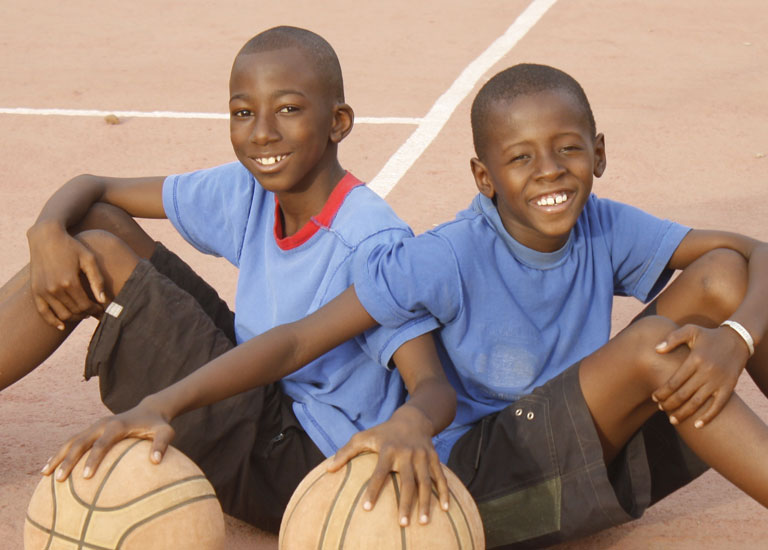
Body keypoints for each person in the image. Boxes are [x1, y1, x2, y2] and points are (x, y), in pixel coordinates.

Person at [45, 62, 768, 546]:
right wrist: (164, 403)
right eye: (521, 158)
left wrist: (735, 335)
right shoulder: (438, 256)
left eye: (568, 150)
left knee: (727, 278)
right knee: (657, 350)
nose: (549, 171)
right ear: (484, 176)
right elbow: (297, 342)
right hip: (492, 469)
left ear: (599, 154)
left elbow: (752, 258)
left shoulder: (607, 223)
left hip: (570, 429)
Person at [2, 26, 455, 532]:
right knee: (98, 225)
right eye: (244, 113)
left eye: (288, 109)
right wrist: (45, 231)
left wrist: (407, 429)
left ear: (338, 122)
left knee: (103, 257)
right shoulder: (252, 189)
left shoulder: (372, 241)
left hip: (301, 460)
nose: (262, 132)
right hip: (263, 397)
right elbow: (97, 188)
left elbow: (431, 384)